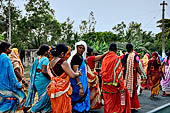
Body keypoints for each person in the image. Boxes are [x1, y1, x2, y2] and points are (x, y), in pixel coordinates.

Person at [46, 44, 82, 113]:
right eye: (66, 54)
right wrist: (78, 73)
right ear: (62, 53)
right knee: (64, 107)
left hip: (54, 88)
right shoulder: (62, 62)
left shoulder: (51, 61)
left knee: (56, 107)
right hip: (62, 89)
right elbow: (72, 75)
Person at [100, 43, 131, 113]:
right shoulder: (116, 58)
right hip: (113, 86)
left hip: (104, 85)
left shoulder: (105, 58)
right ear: (116, 50)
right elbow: (119, 73)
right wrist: (122, 86)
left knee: (107, 104)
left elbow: (102, 72)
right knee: (114, 105)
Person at [24, 44, 51, 113]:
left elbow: (35, 70)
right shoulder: (45, 59)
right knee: (44, 98)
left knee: (41, 96)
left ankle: (43, 110)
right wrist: (51, 77)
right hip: (43, 80)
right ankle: (33, 110)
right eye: (48, 51)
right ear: (45, 52)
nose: (49, 52)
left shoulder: (38, 58)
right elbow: (44, 71)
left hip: (37, 80)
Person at [0, 41, 25, 113]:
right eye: (9, 48)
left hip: (1, 86)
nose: (10, 50)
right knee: (11, 102)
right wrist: (18, 85)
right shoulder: (6, 58)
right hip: (6, 86)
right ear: (5, 49)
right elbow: (11, 74)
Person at [67, 41, 90, 113]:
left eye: (83, 48)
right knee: (78, 100)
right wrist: (80, 86)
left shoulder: (81, 57)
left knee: (82, 99)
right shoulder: (76, 58)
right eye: (80, 48)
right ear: (76, 48)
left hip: (82, 82)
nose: (81, 50)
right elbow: (76, 73)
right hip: (77, 83)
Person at [122, 43, 141, 111]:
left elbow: (122, 63)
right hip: (133, 75)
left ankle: (126, 105)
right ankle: (133, 105)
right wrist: (141, 74)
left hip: (126, 75)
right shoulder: (135, 56)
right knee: (133, 90)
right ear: (132, 48)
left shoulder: (125, 56)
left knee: (126, 90)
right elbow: (138, 66)